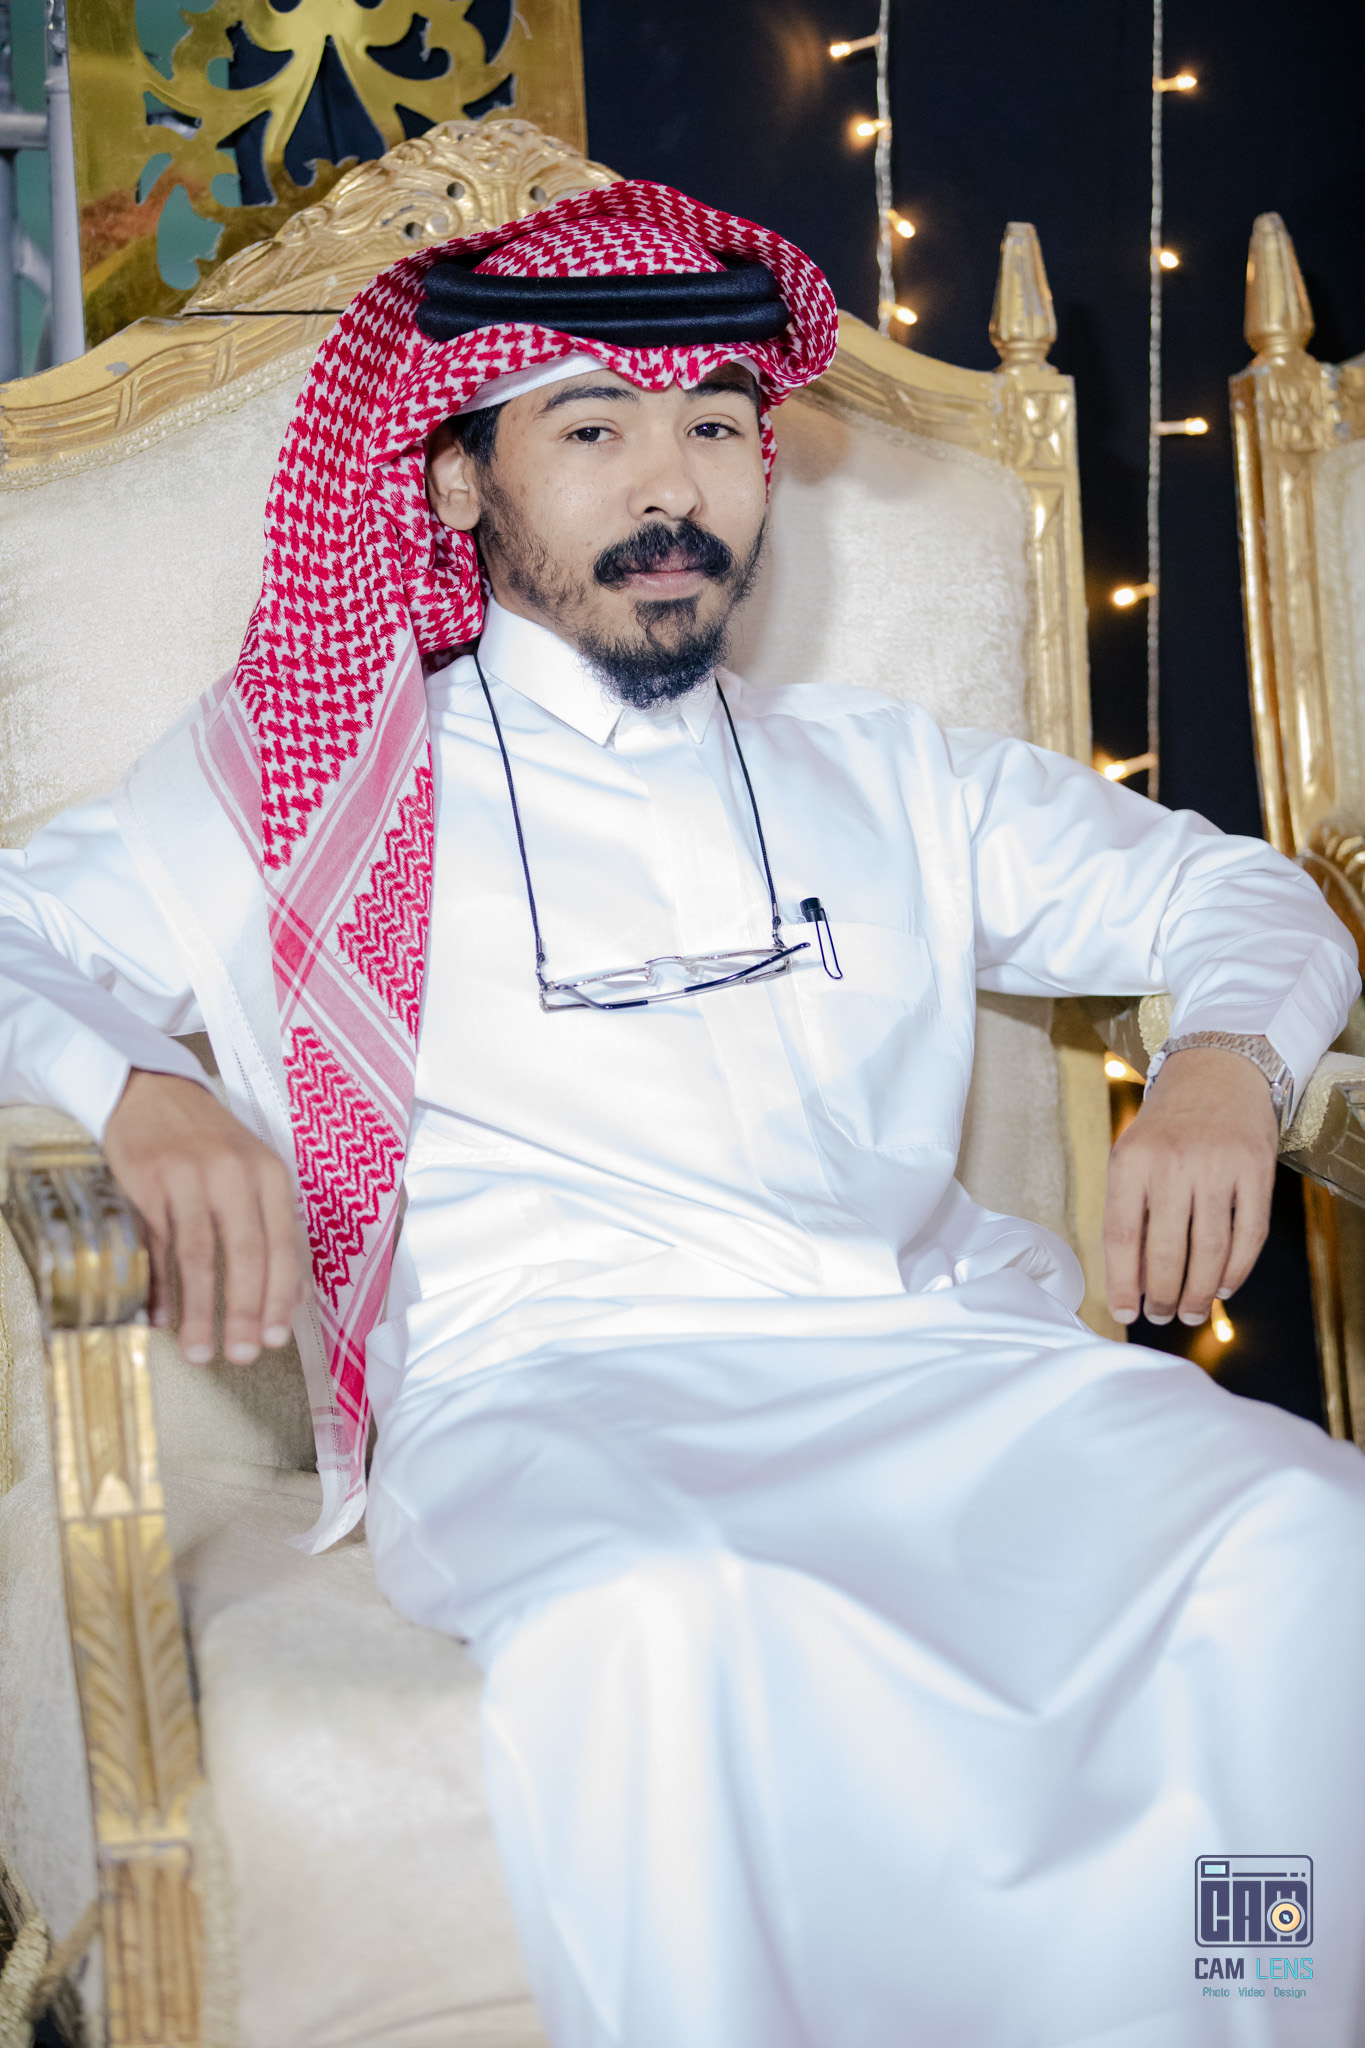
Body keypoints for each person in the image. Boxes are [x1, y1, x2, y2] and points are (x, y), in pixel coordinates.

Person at [1, 180, 1363, 2047]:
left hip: (947, 1365)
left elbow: (1239, 896)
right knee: (673, 1618)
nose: (673, 489)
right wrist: (138, 1085)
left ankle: (1242, 2003)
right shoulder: (316, 788)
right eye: (594, 432)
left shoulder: (884, 767)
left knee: (1305, 1533)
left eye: (715, 428)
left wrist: (1222, 1065)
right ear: (459, 478)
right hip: (561, 1397)